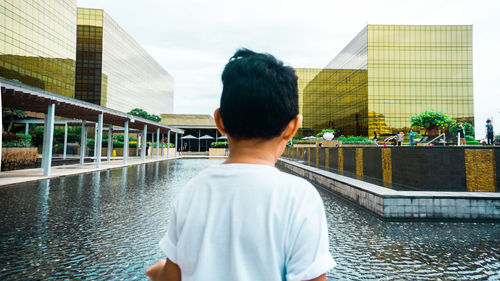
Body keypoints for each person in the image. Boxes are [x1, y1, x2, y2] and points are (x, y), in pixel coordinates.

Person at [146, 49, 335, 281]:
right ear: (293, 127)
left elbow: (172, 276)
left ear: (219, 121)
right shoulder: (300, 196)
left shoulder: (192, 191)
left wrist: (158, 272)